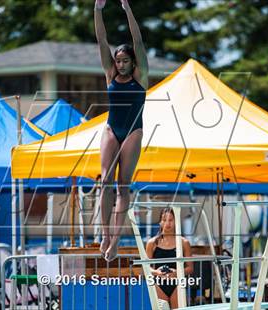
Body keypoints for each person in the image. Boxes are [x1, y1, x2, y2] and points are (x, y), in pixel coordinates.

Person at [95, 0, 149, 262]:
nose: (120, 65)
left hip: (133, 132)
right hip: (111, 129)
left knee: (122, 186)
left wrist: (128, 10)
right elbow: (101, 39)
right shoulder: (110, 75)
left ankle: (115, 241)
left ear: (133, 61)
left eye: (125, 60)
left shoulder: (141, 76)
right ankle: (105, 234)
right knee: (104, 181)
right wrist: (98, 10)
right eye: (117, 61)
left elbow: (137, 41)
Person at [146, 208, 193, 309]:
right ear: (160, 222)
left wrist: (176, 272)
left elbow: (190, 268)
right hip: (159, 284)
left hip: (177, 284)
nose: (167, 223)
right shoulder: (152, 243)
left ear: (176, 222)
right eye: (164, 220)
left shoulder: (184, 243)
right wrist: (156, 272)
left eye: (171, 220)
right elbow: (145, 268)